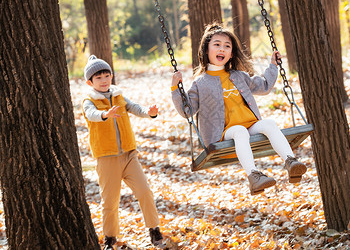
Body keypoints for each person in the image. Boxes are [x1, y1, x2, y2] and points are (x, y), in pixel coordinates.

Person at [171, 23, 307, 195]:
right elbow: (187, 111)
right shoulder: (200, 83)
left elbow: (264, 86)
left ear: (231, 54)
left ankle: (291, 162)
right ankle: (254, 176)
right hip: (222, 133)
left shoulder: (238, 76)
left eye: (227, 46)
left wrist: (273, 66)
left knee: (269, 124)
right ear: (206, 50)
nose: (222, 49)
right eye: (217, 44)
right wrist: (176, 89)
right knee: (239, 131)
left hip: (250, 125)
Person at [82, 55, 164, 249]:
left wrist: (149, 112)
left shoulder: (118, 96)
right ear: (90, 82)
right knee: (110, 202)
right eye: (98, 78)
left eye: (106, 76)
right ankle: (110, 238)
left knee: (145, 192)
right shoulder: (89, 101)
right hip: (107, 158)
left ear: (111, 76)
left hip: (129, 155)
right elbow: (91, 115)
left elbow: (134, 107)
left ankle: (154, 229)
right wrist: (104, 115)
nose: (103, 80)